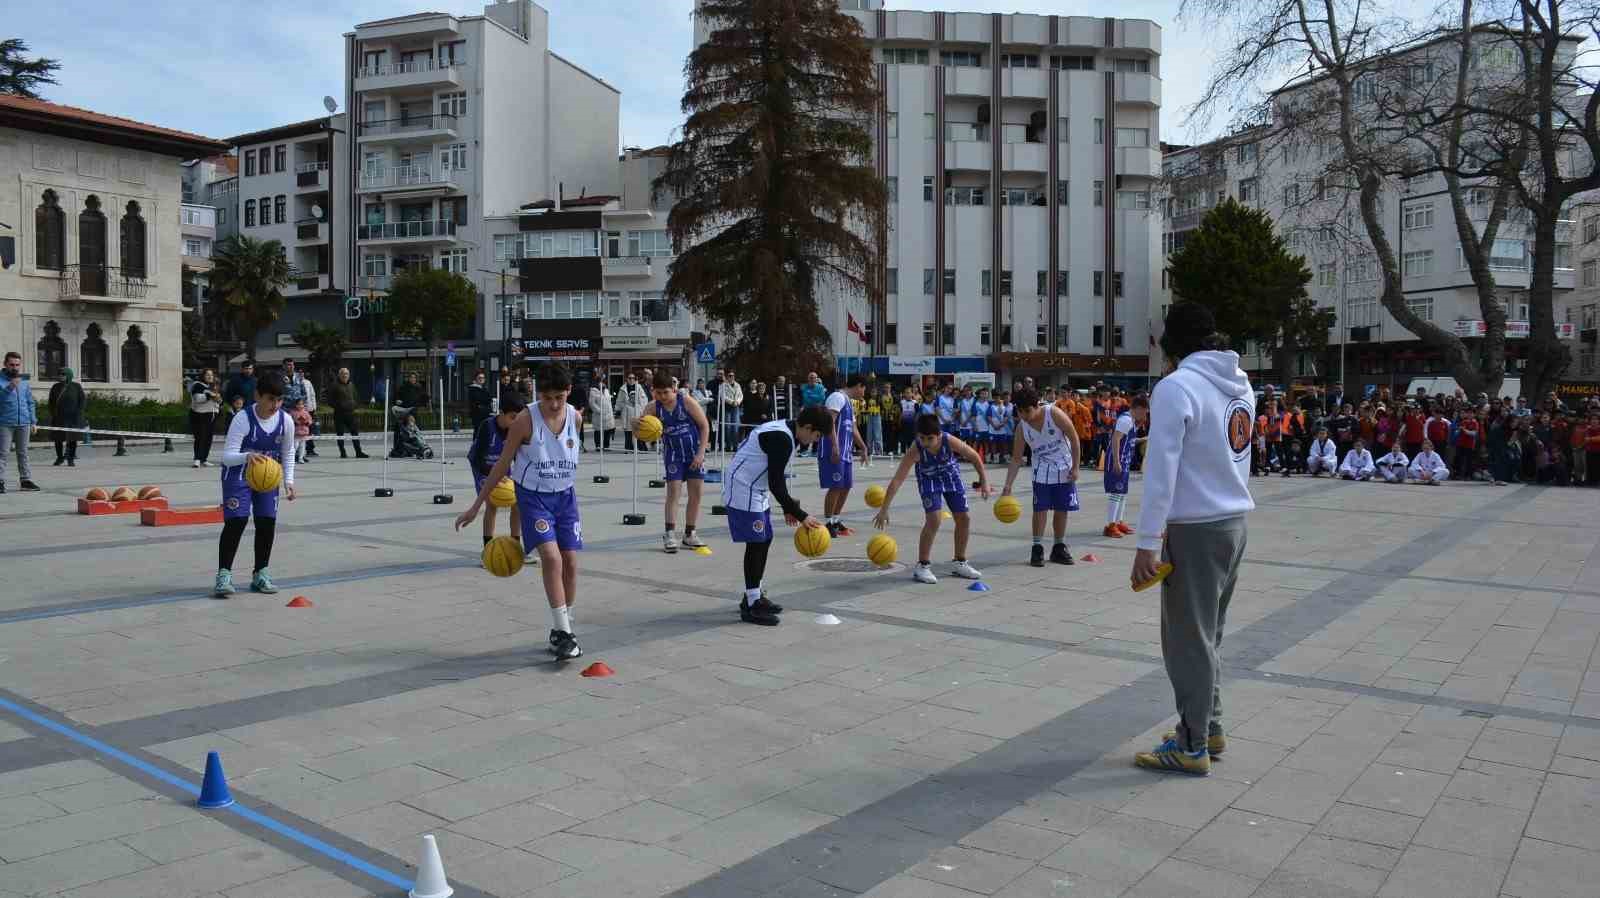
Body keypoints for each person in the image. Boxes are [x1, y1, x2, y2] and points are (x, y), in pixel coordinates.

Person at [1129, 301, 1254, 776]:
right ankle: (1209, 724)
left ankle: (1192, 744)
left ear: (1173, 343)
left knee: (1186, 641)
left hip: (1196, 529)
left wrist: (1146, 542)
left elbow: (1161, 469)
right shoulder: (1240, 385)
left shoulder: (1176, 387)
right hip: (1233, 522)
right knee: (1208, 637)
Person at [455, 363, 586, 661]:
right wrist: (477, 505)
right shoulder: (525, 421)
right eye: (548, 397)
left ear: (568, 392)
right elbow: (503, 463)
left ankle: (564, 626)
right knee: (551, 558)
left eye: (559, 397)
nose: (554, 404)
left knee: (571, 562)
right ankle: (563, 630)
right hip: (533, 497)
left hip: (565, 496)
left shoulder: (575, 419)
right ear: (539, 394)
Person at [721, 405, 831, 625]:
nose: (816, 441)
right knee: (756, 542)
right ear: (808, 428)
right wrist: (800, 514)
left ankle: (754, 594)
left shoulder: (788, 430)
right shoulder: (782, 438)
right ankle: (752, 605)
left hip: (755, 487)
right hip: (743, 487)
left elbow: (774, 478)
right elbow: (776, 482)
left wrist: (788, 507)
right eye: (817, 436)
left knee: (765, 538)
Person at [873, 413, 989, 584]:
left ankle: (960, 561)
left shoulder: (949, 441)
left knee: (964, 518)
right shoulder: (916, 449)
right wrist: (884, 509)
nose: (925, 442)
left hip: (951, 477)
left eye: (930, 438)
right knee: (934, 519)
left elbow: (974, 457)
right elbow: (897, 479)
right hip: (928, 480)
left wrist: (984, 481)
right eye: (922, 438)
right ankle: (923, 565)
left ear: (939, 435)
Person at [214, 373, 296, 597]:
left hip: (267, 477)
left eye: (279, 400)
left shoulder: (285, 420)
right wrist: (247, 456)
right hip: (238, 475)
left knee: (267, 522)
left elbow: (288, 452)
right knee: (237, 522)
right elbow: (227, 456)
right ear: (257, 395)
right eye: (270, 399)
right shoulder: (243, 418)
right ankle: (224, 575)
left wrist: (288, 480)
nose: (275, 405)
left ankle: (261, 573)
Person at [1002, 386, 1082, 567]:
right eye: (1020, 411)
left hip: (1064, 466)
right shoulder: (1022, 428)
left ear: (1037, 405)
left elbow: (1074, 438)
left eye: (1027, 410)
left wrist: (1076, 467)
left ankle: (1059, 546)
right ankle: (1037, 547)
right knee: (1040, 509)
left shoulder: (1053, 414)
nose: (1024, 415)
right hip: (1041, 470)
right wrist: (1007, 486)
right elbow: (1016, 459)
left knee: (1062, 509)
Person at [649, 371, 711, 552]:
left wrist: (701, 453)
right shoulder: (653, 407)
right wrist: (639, 426)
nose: (662, 397)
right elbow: (641, 427)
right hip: (673, 455)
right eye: (658, 393)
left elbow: (704, 426)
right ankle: (669, 534)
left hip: (693, 453)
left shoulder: (687, 402)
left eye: (665, 392)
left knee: (696, 494)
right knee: (674, 492)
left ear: (674, 389)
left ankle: (690, 534)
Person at [467, 391, 526, 551]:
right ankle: (488, 549)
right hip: (482, 468)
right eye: (512, 417)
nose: (516, 422)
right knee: (492, 505)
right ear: (502, 413)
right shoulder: (487, 426)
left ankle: (516, 547)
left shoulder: (516, 429)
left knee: (517, 504)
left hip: (501, 466)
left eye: (518, 418)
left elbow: (517, 457)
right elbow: (477, 459)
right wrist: (492, 474)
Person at [819, 375, 869, 537]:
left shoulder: (848, 402)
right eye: (864, 389)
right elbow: (829, 422)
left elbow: (853, 428)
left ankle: (835, 519)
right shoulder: (837, 397)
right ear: (859, 386)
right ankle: (827, 523)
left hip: (845, 452)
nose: (864, 393)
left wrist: (863, 447)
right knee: (836, 486)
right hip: (833, 450)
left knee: (845, 486)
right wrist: (834, 445)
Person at [1103, 396, 1150, 537]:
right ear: (1139, 408)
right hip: (1118, 461)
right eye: (1145, 412)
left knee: (1122, 493)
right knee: (1116, 493)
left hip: (1125, 461)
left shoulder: (1131, 421)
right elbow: (1116, 439)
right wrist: (1116, 462)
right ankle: (1110, 526)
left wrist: (1144, 438)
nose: (1145, 415)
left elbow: (1129, 440)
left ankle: (1118, 522)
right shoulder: (1126, 420)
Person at [0, 352, 39, 493]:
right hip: (4, 423)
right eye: (12, 365)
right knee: (2, 453)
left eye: (17, 365)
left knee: (23, 452)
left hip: (24, 422)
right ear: (5, 364)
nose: (15, 368)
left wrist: (33, 421)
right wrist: (10, 387)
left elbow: (30, 402)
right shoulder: (0, 380)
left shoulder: (23, 382)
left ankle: (25, 480)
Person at [326, 368, 368, 459]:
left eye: (346, 374)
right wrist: (339, 406)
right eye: (343, 374)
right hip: (339, 414)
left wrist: (355, 405)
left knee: (355, 434)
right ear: (339, 375)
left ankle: (358, 452)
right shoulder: (334, 386)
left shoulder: (351, 385)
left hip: (351, 413)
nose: (345, 375)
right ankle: (343, 452)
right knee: (340, 434)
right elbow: (329, 400)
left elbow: (356, 396)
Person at [281, 359, 319, 459]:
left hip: (299, 409)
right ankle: (286, 454)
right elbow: (278, 391)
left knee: (300, 432)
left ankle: (300, 455)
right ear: (284, 366)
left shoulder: (298, 376)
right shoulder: (280, 377)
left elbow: (303, 392)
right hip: (286, 409)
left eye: (292, 365)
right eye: (288, 365)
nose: (291, 367)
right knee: (287, 432)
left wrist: (303, 405)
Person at [49, 367, 86, 468]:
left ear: (68, 375)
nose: (61, 376)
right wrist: (53, 413)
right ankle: (60, 457)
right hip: (59, 417)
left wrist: (78, 413)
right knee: (58, 439)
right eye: (60, 374)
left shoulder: (76, 386)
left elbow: (82, 401)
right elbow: (51, 402)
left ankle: (70, 458)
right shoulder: (55, 387)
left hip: (73, 417)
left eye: (63, 374)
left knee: (72, 439)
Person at [188, 368, 221, 468]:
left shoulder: (214, 386)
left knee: (208, 438)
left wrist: (218, 400)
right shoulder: (197, 385)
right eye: (207, 375)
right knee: (200, 437)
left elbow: (219, 400)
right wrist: (210, 396)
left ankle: (204, 459)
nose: (210, 377)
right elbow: (197, 398)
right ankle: (197, 459)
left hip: (211, 415)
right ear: (203, 376)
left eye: (211, 375)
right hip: (199, 415)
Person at [616, 372, 648, 451]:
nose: (631, 380)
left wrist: (643, 410)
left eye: (633, 378)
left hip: (637, 411)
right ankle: (628, 448)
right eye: (630, 378)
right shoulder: (623, 388)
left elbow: (644, 400)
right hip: (627, 412)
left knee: (640, 430)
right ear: (627, 379)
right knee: (628, 431)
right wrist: (618, 409)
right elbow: (619, 401)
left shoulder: (639, 387)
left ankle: (642, 447)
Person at [718, 369, 744, 453]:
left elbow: (741, 395)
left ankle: (736, 446)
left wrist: (738, 402)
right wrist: (731, 401)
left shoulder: (737, 385)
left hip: (736, 406)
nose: (731, 377)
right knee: (727, 427)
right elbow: (722, 396)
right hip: (727, 407)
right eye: (729, 376)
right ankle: (728, 446)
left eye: (732, 376)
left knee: (735, 426)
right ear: (726, 376)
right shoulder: (722, 385)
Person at [587, 376, 615, 451]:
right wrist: (599, 410)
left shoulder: (606, 391)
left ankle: (606, 446)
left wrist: (611, 412)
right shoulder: (593, 391)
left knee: (607, 430)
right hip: (598, 415)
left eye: (603, 382)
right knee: (598, 431)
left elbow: (609, 402)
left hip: (608, 415)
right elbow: (592, 403)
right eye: (600, 382)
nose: (602, 383)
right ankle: (598, 446)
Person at [1453, 409, 1481, 481]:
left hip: (1469, 445)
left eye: (1471, 413)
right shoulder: (1463, 422)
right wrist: (1458, 430)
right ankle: (1458, 474)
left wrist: (1465, 430)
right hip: (1461, 443)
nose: (1469, 415)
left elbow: (1474, 433)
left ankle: (1468, 475)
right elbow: (1458, 431)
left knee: (1469, 461)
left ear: (1474, 415)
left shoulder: (1475, 423)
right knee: (1459, 459)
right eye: (1468, 413)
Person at [287, 398, 313, 465]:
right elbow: (288, 420)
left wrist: (308, 423)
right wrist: (294, 423)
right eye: (298, 404)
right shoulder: (292, 412)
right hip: (296, 432)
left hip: (304, 432)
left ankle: (300, 458)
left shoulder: (305, 412)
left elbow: (310, 419)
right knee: (295, 446)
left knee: (302, 446)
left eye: (302, 404)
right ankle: (292, 458)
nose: (300, 406)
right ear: (295, 405)